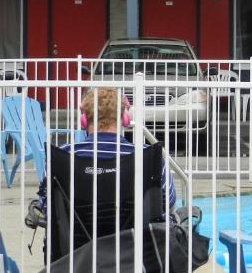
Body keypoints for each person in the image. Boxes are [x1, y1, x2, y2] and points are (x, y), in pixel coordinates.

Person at [30, 87, 176, 219]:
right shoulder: (148, 156)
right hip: (137, 245)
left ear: (84, 120)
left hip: (74, 246)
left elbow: (47, 206)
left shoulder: (62, 156)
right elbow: (166, 202)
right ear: (125, 119)